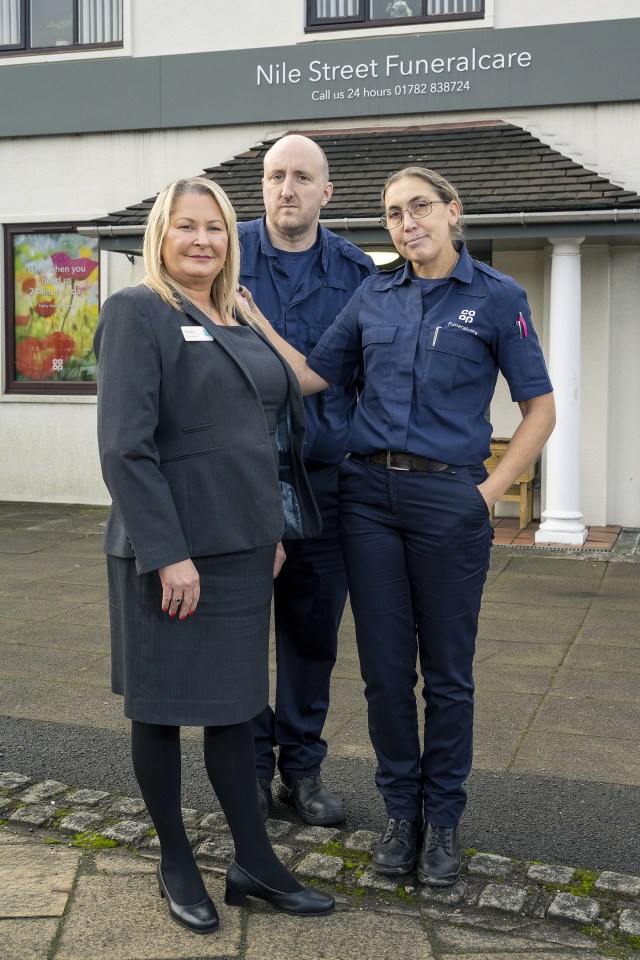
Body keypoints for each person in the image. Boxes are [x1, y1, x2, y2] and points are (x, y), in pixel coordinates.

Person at [240, 165, 556, 887]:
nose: (406, 223)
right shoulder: (373, 292)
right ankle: (401, 815)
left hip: (450, 502)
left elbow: (540, 407)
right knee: (384, 675)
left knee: (447, 676)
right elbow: (313, 377)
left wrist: (489, 494)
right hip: (368, 500)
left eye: (418, 208)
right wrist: (254, 321)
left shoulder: (497, 298)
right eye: (391, 214)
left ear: (452, 211)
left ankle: (443, 820)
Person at [94, 176, 335, 934]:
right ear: (160, 236)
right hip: (171, 551)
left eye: (218, 229)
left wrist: (266, 532)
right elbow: (126, 449)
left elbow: (258, 432)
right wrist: (169, 555)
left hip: (240, 548)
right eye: (187, 227)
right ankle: (175, 861)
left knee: (236, 711)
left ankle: (254, 861)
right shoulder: (138, 313)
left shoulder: (233, 315)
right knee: (162, 711)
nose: (203, 240)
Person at [238, 134, 376, 825]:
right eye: (274, 176)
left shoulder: (357, 272)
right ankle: (249, 771)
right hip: (237, 481)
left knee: (312, 634)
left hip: (324, 484)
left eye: (301, 177)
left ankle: (302, 770)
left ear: (328, 192)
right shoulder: (222, 254)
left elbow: (369, 382)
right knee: (237, 630)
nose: (285, 188)